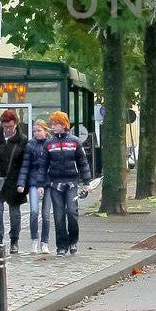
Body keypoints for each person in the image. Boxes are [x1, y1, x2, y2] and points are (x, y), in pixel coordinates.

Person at [43, 110, 95, 256]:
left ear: (64, 124)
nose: (54, 126)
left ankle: (73, 241)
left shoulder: (75, 142)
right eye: (52, 123)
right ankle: (61, 246)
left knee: (72, 212)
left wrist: (87, 182)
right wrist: (42, 184)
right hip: (55, 184)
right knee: (58, 216)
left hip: (71, 183)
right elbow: (43, 166)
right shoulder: (49, 143)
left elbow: (83, 163)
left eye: (57, 123)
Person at [0, 109, 30, 254]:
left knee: (15, 214)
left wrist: (24, 183)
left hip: (15, 182)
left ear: (16, 124)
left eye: (10, 126)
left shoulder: (23, 139)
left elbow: (25, 163)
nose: (8, 129)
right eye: (5, 126)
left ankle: (14, 240)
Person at [24, 119, 53, 255]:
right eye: (34, 131)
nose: (36, 133)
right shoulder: (30, 144)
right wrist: (21, 183)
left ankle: (45, 242)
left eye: (39, 131)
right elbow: (26, 165)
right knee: (34, 212)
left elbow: (51, 166)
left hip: (47, 182)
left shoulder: (50, 144)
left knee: (46, 214)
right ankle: (34, 240)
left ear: (46, 131)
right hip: (34, 182)